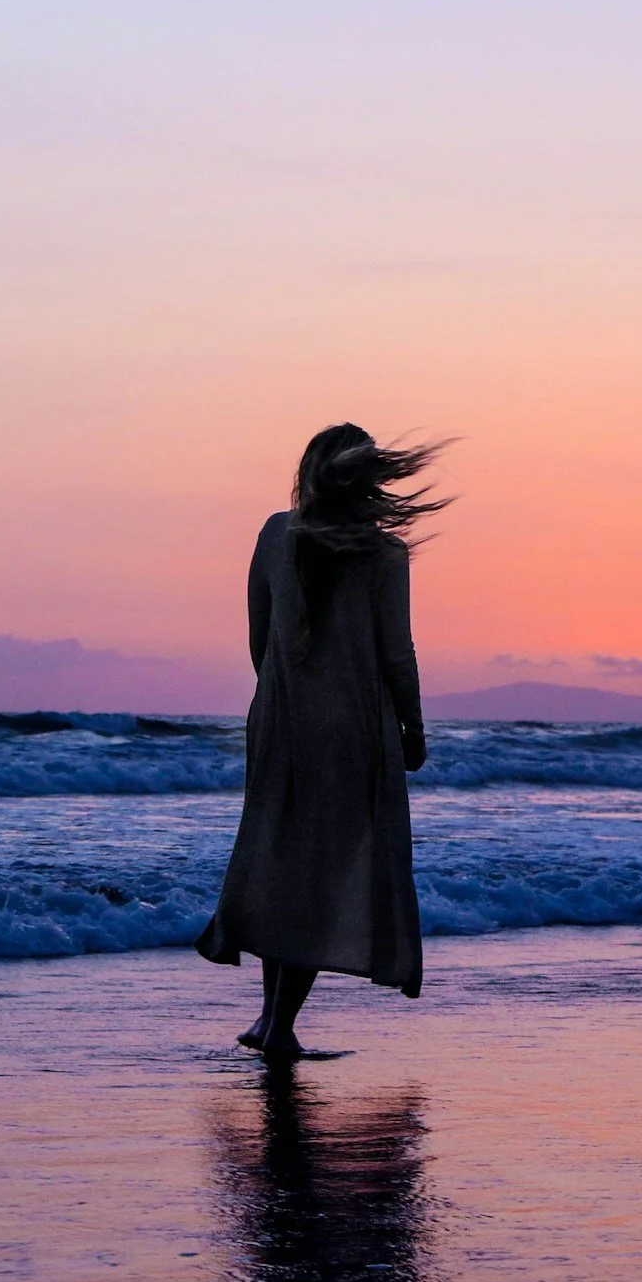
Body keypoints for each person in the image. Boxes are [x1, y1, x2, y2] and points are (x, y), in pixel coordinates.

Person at [196, 423, 449, 1059]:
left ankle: (268, 1019)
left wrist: (280, 697)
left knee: (283, 862)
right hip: (355, 727)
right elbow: (397, 651)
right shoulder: (384, 553)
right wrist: (412, 728)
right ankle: (279, 1025)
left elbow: (259, 635)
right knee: (327, 872)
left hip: (281, 720)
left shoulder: (274, 534)